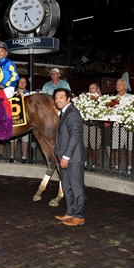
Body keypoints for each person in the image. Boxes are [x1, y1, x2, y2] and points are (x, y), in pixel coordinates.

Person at [53, 88, 86, 227]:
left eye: (61, 97)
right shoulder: (65, 113)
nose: (58, 100)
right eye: (56, 98)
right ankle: (70, 212)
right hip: (65, 158)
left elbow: (74, 137)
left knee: (76, 186)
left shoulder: (72, 114)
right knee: (67, 186)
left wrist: (66, 156)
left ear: (68, 99)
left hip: (73, 158)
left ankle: (78, 216)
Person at [112, 78, 134, 172]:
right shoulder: (112, 99)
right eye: (117, 84)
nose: (118, 85)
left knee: (129, 148)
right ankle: (117, 166)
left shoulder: (131, 97)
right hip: (117, 126)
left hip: (128, 126)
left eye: (120, 84)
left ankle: (129, 167)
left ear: (125, 86)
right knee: (116, 147)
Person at [10, 77, 30, 162]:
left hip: (25, 120)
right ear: (18, 83)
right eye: (20, 82)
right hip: (15, 119)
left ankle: (24, 157)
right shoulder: (12, 92)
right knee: (12, 139)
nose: (22, 84)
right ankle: (11, 157)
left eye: (24, 82)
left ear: (26, 84)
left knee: (25, 139)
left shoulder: (29, 94)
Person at [84, 83, 102, 168]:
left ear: (97, 89)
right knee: (84, 145)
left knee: (95, 146)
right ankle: (85, 162)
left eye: (93, 88)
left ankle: (95, 163)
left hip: (94, 125)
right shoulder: (85, 99)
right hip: (85, 125)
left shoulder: (101, 99)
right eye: (90, 88)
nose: (91, 90)